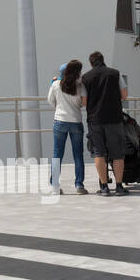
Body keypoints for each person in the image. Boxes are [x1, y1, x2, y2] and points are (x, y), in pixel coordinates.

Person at [82, 51, 130, 195]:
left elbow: (84, 101)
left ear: (91, 63)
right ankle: (120, 186)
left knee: (99, 153)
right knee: (118, 154)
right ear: (103, 60)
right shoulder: (115, 73)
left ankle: (104, 187)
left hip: (95, 120)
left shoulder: (85, 78)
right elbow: (124, 95)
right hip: (114, 118)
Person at [47, 59, 87, 195]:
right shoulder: (80, 85)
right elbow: (83, 103)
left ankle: (55, 187)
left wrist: (58, 108)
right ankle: (79, 186)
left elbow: (50, 101)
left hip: (59, 121)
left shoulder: (56, 84)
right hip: (75, 121)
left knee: (57, 154)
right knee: (78, 155)